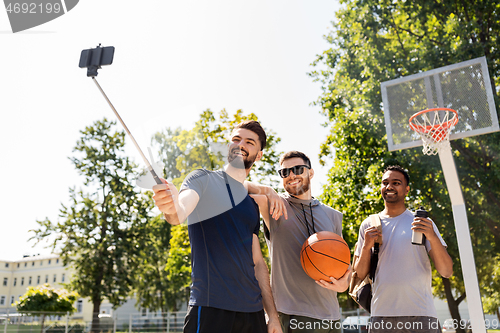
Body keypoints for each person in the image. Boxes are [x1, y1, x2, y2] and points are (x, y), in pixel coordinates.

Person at [152, 120, 282, 333]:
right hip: (211, 308)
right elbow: (180, 211)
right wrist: (171, 206)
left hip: (253, 313)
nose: (241, 144)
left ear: (258, 155)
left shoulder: (251, 204)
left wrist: (273, 316)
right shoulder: (202, 179)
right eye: (235, 139)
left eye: (249, 142)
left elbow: (258, 263)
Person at [249, 151, 350, 333]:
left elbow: (343, 263)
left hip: (332, 316)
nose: (291, 175)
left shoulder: (333, 215)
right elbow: (231, 185)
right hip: (293, 315)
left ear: (310, 173)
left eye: (297, 169)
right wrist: (268, 191)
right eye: (285, 172)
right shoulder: (275, 206)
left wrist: (345, 283)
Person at [354, 165, 453, 333]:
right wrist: (365, 248)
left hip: (421, 315)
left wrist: (432, 236)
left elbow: (447, 271)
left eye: (396, 183)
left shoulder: (421, 223)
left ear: (407, 189)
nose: (390, 187)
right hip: (381, 316)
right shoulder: (369, 225)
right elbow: (359, 274)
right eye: (385, 182)